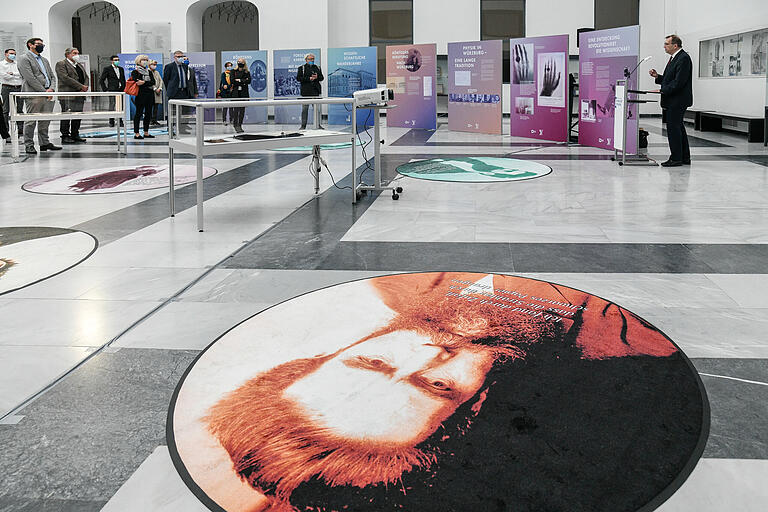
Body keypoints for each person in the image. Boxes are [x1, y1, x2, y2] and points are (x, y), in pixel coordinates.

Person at [189, 272, 679, 511]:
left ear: (324, 356)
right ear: (476, 402)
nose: (427, 354)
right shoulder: (621, 338)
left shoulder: (401, 286)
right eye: (437, 387)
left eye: (374, 362)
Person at [649, 34, 693, 167]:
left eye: (666, 44)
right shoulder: (675, 58)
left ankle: (676, 158)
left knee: (673, 129)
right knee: (678, 128)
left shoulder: (683, 58)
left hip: (677, 100)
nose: (664, 46)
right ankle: (684, 157)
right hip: (674, 99)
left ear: (675, 45)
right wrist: (658, 77)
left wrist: (663, 90)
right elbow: (671, 79)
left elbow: (679, 82)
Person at [17, 37, 61, 154]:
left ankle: (44, 143)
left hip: (48, 93)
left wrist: (51, 89)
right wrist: (43, 91)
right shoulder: (24, 58)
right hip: (34, 94)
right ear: (30, 45)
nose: (41, 46)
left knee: (45, 120)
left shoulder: (44, 60)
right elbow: (30, 78)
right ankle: (29, 145)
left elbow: (52, 76)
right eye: (38, 44)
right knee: (31, 121)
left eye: (42, 44)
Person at [55, 47, 88, 144]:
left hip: (79, 95)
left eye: (77, 53)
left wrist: (85, 87)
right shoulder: (61, 64)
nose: (77, 55)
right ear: (68, 54)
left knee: (77, 115)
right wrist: (80, 86)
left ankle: (75, 133)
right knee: (66, 115)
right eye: (74, 53)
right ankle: (65, 135)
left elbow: (86, 76)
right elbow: (65, 78)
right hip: (67, 95)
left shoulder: (79, 65)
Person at [163, 50, 197, 135]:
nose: (180, 58)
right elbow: (166, 80)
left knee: (184, 112)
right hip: (174, 92)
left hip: (184, 92)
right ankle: (170, 129)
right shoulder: (169, 66)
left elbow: (189, 79)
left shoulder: (185, 66)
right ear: (174, 57)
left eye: (182, 56)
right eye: (178, 57)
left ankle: (182, 129)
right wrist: (171, 89)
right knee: (172, 112)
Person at [130, 54, 155, 140]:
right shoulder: (135, 71)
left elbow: (153, 82)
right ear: (138, 61)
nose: (145, 61)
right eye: (143, 60)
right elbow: (137, 81)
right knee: (138, 113)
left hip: (150, 94)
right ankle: (136, 133)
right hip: (140, 95)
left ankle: (146, 132)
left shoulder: (149, 71)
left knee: (148, 113)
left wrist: (143, 82)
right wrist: (144, 83)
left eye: (146, 60)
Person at [0, 48, 24, 139]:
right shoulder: (1, 64)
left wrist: (13, 73)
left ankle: (21, 131)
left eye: (14, 53)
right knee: (6, 110)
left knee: (20, 110)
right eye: (11, 53)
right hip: (6, 88)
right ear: (6, 54)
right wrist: (15, 75)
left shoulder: (18, 63)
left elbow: (22, 74)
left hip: (19, 88)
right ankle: (6, 132)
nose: (13, 55)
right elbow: (4, 76)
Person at [296, 53, 323, 130]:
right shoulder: (301, 68)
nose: (312, 60)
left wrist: (317, 77)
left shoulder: (318, 67)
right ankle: (303, 125)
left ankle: (318, 125)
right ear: (306, 60)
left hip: (315, 91)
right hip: (306, 92)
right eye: (310, 59)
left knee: (316, 109)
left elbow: (322, 78)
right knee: (305, 109)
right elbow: (298, 78)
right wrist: (309, 78)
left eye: (313, 59)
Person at [99, 55, 125, 127]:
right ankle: (111, 120)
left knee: (120, 105)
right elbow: (101, 80)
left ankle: (120, 120)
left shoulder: (121, 69)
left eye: (118, 60)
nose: (117, 61)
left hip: (120, 90)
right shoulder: (107, 69)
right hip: (112, 89)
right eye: (115, 60)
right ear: (112, 61)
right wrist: (105, 89)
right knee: (112, 105)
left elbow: (123, 79)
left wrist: (124, 87)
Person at [229, 58, 251, 133]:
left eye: (241, 62)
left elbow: (249, 81)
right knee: (236, 110)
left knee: (242, 110)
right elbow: (232, 81)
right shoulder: (233, 71)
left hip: (244, 93)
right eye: (238, 62)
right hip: (235, 93)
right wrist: (243, 81)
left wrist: (239, 80)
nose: (239, 63)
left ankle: (240, 124)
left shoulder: (246, 72)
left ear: (244, 63)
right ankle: (235, 125)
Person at [149, 60, 163, 127]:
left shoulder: (157, 72)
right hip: (151, 92)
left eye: (155, 64)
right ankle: (150, 120)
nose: (154, 66)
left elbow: (161, 81)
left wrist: (159, 88)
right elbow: (149, 82)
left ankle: (154, 120)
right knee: (149, 107)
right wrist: (155, 89)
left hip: (158, 92)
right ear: (149, 65)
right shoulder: (148, 72)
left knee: (156, 107)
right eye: (153, 64)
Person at [219, 61, 233, 125]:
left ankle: (231, 120)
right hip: (224, 93)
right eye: (228, 66)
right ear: (225, 67)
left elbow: (233, 82)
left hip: (231, 92)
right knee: (225, 107)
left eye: (230, 66)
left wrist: (229, 86)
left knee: (231, 107)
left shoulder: (233, 74)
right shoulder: (223, 74)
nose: (229, 67)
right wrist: (228, 86)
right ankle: (224, 120)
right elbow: (224, 84)